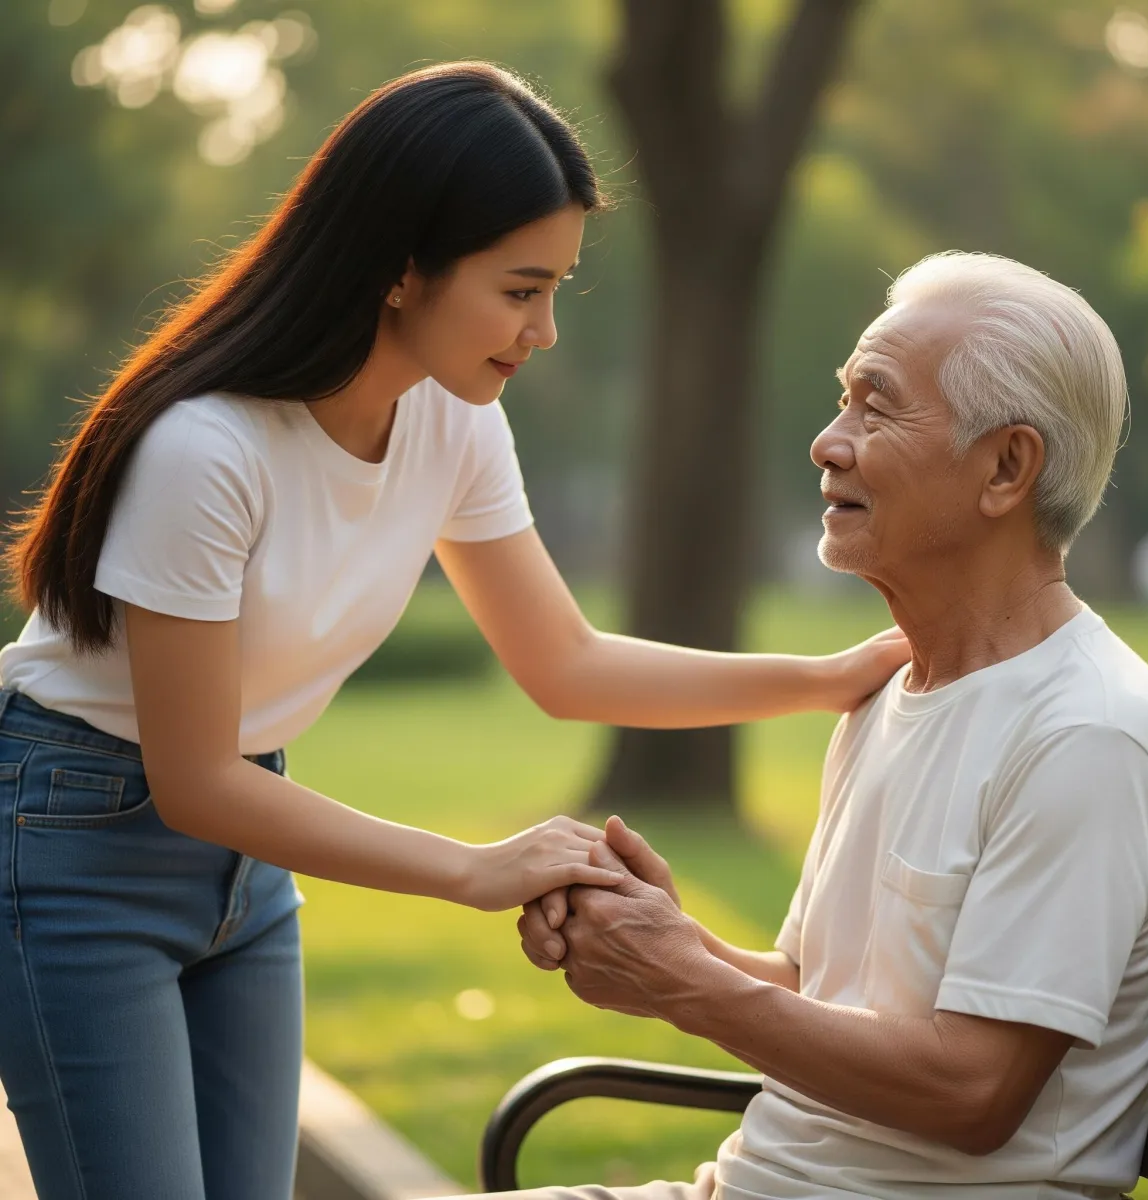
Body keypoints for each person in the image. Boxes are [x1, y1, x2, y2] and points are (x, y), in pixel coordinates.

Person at [0, 63, 906, 1200]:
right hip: (76, 842)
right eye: (522, 290)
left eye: (559, 289)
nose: (546, 332)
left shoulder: (453, 420)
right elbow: (193, 779)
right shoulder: (205, 449)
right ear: (400, 270)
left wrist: (829, 678)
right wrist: (476, 870)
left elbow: (563, 662)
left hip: (247, 857)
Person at [513, 252, 1148, 1200]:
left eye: (876, 407)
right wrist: (661, 940)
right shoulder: (890, 689)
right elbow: (810, 991)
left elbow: (973, 1092)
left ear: (1007, 467)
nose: (828, 443)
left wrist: (685, 983)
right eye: (843, 401)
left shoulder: (1088, 733)